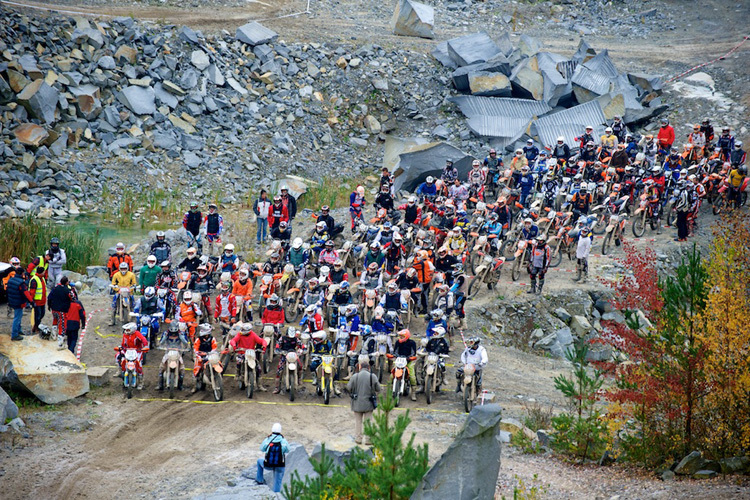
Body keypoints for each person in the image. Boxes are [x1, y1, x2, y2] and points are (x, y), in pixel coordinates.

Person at [347, 355, 380, 445]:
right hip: (369, 403)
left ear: (360, 367)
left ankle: (358, 438)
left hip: (357, 402)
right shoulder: (372, 376)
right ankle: (368, 439)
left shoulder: (355, 376)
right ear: (368, 367)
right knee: (368, 422)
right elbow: (378, 388)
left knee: (358, 422)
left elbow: (348, 387)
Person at [255, 423, 290, 493]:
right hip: (280, 465)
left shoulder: (268, 439)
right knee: (278, 482)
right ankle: (276, 495)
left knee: (259, 461)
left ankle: (260, 480)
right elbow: (288, 450)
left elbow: (262, 448)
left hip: (268, 465)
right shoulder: (283, 440)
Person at [116, 322, 149, 388]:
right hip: (127, 350)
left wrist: (145, 346)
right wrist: (121, 348)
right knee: (118, 356)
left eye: (128, 330)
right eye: (126, 330)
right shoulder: (125, 335)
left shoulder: (137, 334)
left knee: (139, 365)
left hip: (137, 351)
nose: (126, 331)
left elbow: (143, 339)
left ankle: (140, 382)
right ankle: (120, 370)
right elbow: (123, 343)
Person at [156, 322, 188, 391]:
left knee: (182, 368)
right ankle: (160, 385)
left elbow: (185, 343)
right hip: (168, 352)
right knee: (161, 368)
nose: (173, 333)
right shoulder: (166, 333)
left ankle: (180, 385)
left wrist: (181, 336)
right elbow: (161, 342)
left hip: (178, 353)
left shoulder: (181, 333)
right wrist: (165, 337)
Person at [389, 329, 418, 401]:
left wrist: (410, 358)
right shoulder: (397, 343)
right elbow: (395, 351)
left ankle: (413, 392)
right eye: (400, 336)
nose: (400, 338)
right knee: (391, 375)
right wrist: (393, 356)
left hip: (408, 361)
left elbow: (413, 352)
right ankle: (391, 389)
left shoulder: (412, 343)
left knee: (412, 377)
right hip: (399, 361)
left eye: (402, 336)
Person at [7, 266, 32, 341]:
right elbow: (26, 293)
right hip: (18, 302)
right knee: (17, 318)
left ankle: (19, 330)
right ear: (22, 273)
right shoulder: (21, 283)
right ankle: (14, 334)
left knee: (18, 316)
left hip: (12, 301)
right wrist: (31, 302)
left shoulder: (11, 280)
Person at [47, 275, 72, 346]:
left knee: (55, 320)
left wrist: (49, 305)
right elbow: (73, 298)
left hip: (54, 308)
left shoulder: (55, 288)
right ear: (67, 282)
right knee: (62, 325)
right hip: (62, 310)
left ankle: (53, 335)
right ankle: (60, 342)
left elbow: (49, 297)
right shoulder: (67, 290)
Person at [29, 265, 48, 334]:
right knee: (37, 315)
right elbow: (32, 291)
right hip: (37, 301)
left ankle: (37, 325)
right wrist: (32, 301)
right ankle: (36, 327)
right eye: (44, 272)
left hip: (42, 301)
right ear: (41, 272)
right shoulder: (34, 280)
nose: (45, 273)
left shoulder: (42, 278)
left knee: (42, 314)